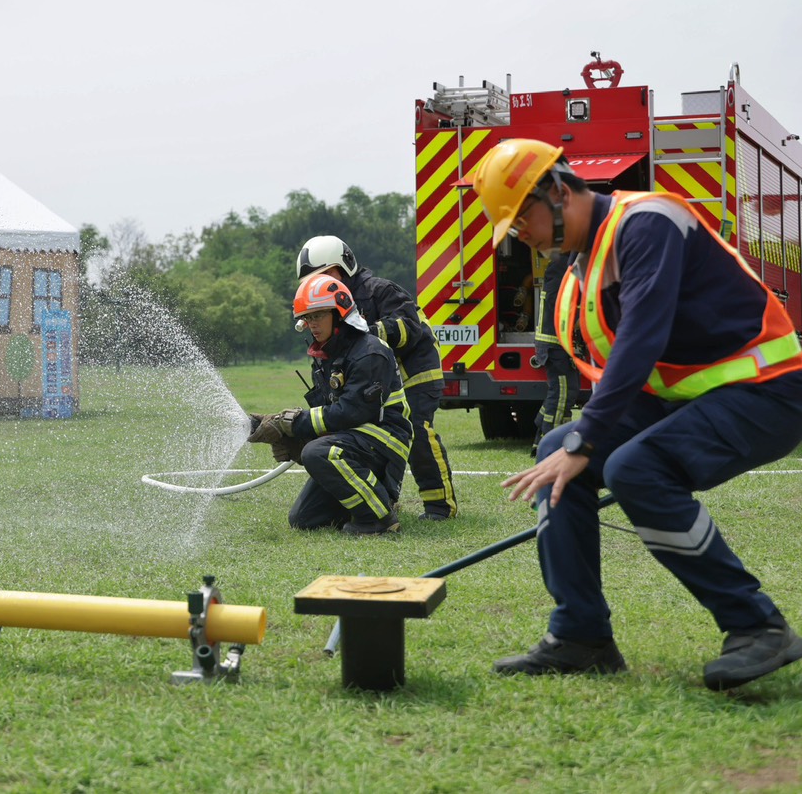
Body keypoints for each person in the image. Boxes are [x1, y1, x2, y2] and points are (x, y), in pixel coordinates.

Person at [469, 138, 802, 690]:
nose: (520, 234)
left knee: (631, 467)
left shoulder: (647, 222)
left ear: (557, 191)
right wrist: (577, 442)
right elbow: (617, 370)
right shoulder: (580, 269)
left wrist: (590, 440)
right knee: (557, 449)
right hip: (688, 398)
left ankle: (757, 626)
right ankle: (581, 636)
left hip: (767, 391)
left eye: (521, 217)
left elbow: (642, 337)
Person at [296, 235, 458, 520]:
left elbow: (409, 328)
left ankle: (439, 506)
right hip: (375, 382)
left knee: (417, 430)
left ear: (344, 267)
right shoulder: (326, 306)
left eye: (325, 275)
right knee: (364, 437)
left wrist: (360, 333)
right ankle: (378, 495)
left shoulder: (378, 291)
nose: (318, 284)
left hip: (413, 373)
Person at [247, 273, 413, 536]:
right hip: (356, 438)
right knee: (303, 519)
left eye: (318, 315)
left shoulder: (369, 351)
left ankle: (379, 517)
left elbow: (354, 411)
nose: (312, 324)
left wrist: (294, 424)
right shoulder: (329, 354)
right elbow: (331, 412)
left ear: (340, 313)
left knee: (318, 452)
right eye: (308, 318)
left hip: (385, 437)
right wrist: (292, 437)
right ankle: (365, 502)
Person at [531, 248, 580, 454]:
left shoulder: (560, 268)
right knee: (562, 395)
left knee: (561, 393)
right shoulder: (562, 268)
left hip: (555, 344)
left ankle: (540, 435)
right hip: (555, 345)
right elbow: (562, 305)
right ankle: (550, 445)